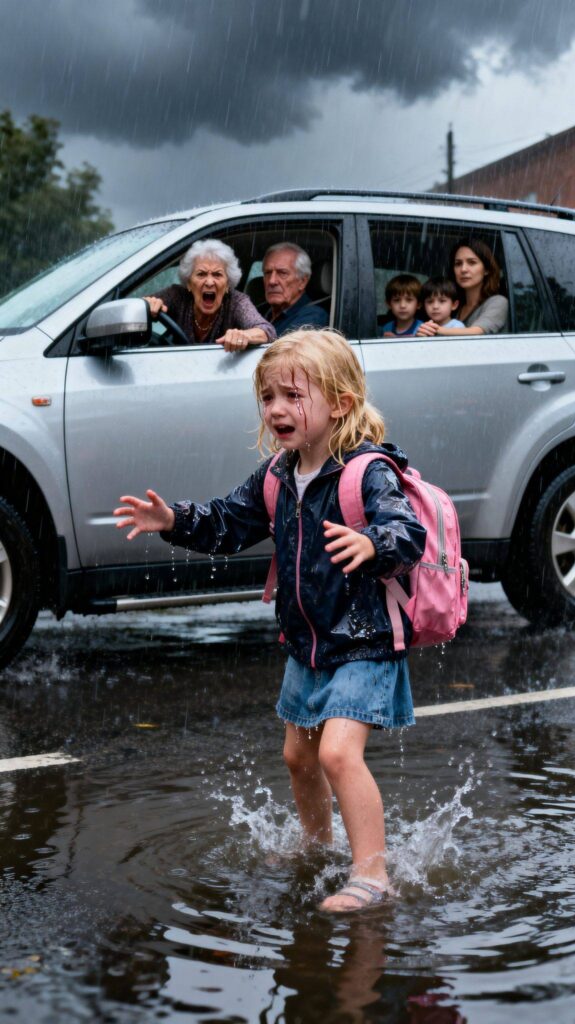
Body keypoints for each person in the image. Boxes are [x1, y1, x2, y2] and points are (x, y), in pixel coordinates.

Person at [114, 329, 425, 914]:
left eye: (292, 395)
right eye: (268, 397)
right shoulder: (277, 476)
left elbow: (408, 531)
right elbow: (226, 523)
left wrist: (371, 541)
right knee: (298, 755)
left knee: (337, 754)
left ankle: (373, 875)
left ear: (340, 401)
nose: (277, 409)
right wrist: (173, 519)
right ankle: (316, 843)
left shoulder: (367, 471)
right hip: (307, 644)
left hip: (364, 641)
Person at [144, 238, 276, 351]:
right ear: (189, 283)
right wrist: (148, 305)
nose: (209, 282)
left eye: (217, 274)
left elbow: (267, 331)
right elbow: (137, 308)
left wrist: (244, 336)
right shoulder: (177, 295)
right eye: (201, 274)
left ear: (227, 285)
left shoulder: (237, 302)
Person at [416, 239, 509, 338]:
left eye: (472, 262)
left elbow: (478, 332)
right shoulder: (455, 304)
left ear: (486, 269)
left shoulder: (498, 302)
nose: (463, 269)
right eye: (458, 264)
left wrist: (434, 329)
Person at [262, 243, 329, 336]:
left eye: (282, 273)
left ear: (302, 282)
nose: (272, 281)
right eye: (268, 273)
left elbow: (282, 349)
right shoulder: (260, 312)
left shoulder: (313, 316)